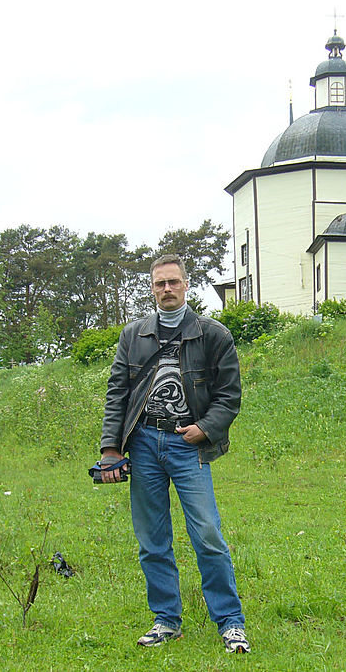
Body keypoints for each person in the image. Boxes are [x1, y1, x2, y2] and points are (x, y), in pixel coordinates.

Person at [98, 254, 249, 654]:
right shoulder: (133, 335)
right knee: (152, 540)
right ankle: (166, 620)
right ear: (152, 288)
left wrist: (206, 428)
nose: (167, 289)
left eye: (173, 282)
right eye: (159, 283)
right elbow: (118, 393)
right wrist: (111, 448)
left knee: (208, 534)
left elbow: (229, 396)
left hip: (188, 446)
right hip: (144, 444)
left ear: (186, 285)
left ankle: (231, 623)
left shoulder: (213, 334)